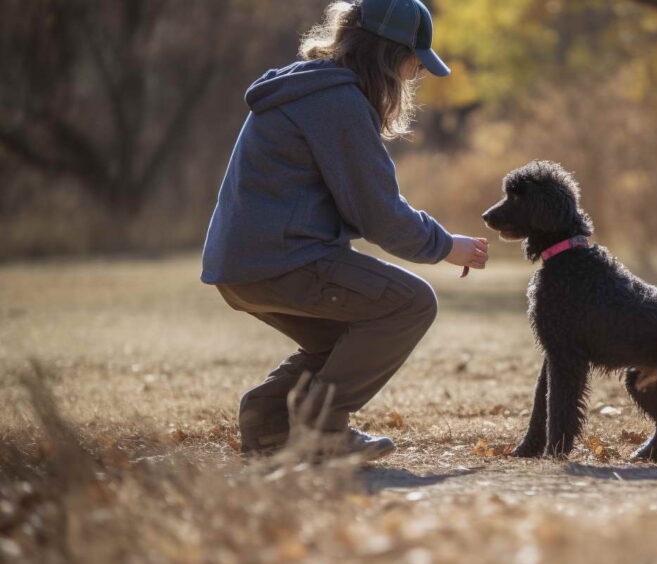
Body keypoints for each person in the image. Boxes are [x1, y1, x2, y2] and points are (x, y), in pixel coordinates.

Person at [200, 0, 488, 461]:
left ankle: (268, 423)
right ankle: (322, 428)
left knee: (343, 337)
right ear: (388, 54)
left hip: (239, 267)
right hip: (283, 262)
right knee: (410, 304)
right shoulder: (337, 102)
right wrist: (446, 246)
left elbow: (355, 208)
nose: (414, 75)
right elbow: (379, 215)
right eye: (415, 62)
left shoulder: (307, 89)